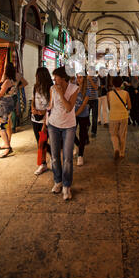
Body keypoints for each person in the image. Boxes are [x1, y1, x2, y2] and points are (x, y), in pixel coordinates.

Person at [43, 66, 79, 201]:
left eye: (56, 77)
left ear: (63, 77)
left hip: (69, 126)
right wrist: (44, 120)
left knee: (68, 158)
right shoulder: (52, 88)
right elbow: (51, 106)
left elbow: (69, 108)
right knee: (54, 155)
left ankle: (66, 185)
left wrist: (61, 94)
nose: (54, 80)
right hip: (53, 125)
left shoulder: (74, 89)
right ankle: (57, 181)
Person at [32, 67, 53, 175]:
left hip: (46, 120)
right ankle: (43, 163)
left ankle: (51, 159)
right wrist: (33, 109)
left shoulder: (50, 88)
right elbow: (33, 99)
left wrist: (44, 114)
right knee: (40, 143)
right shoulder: (36, 87)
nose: (36, 77)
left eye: (37, 75)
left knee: (43, 142)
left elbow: (51, 105)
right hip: (35, 119)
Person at [107, 76, 131, 160]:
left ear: (113, 84)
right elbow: (130, 106)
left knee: (113, 134)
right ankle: (122, 153)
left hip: (113, 116)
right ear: (122, 84)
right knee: (122, 135)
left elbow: (109, 107)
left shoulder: (109, 94)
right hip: (124, 116)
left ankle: (116, 148)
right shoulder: (126, 93)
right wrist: (125, 109)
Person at [75, 74, 91, 166]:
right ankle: (79, 145)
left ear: (84, 79)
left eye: (80, 77)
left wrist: (75, 114)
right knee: (71, 133)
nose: (78, 79)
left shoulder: (87, 91)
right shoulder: (74, 89)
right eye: (77, 77)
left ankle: (80, 155)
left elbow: (83, 105)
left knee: (82, 134)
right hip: (73, 115)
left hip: (83, 115)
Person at [87, 66, 99, 137]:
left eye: (92, 71)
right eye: (89, 71)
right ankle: (88, 126)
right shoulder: (85, 79)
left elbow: (96, 88)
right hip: (87, 100)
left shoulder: (96, 78)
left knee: (94, 117)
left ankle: (93, 132)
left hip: (95, 100)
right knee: (86, 115)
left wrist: (90, 80)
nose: (90, 72)